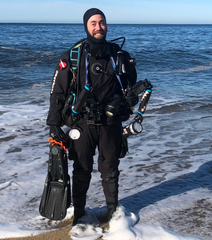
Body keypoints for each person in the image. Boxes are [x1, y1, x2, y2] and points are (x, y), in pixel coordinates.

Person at [46, 8, 138, 226]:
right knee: (81, 170)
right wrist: (53, 124)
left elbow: (129, 88)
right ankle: (79, 216)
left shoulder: (118, 54)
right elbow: (57, 92)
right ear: (86, 26)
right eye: (93, 23)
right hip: (81, 122)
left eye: (102, 22)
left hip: (110, 123)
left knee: (111, 170)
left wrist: (128, 95)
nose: (98, 27)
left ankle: (113, 216)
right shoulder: (73, 55)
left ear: (107, 25)